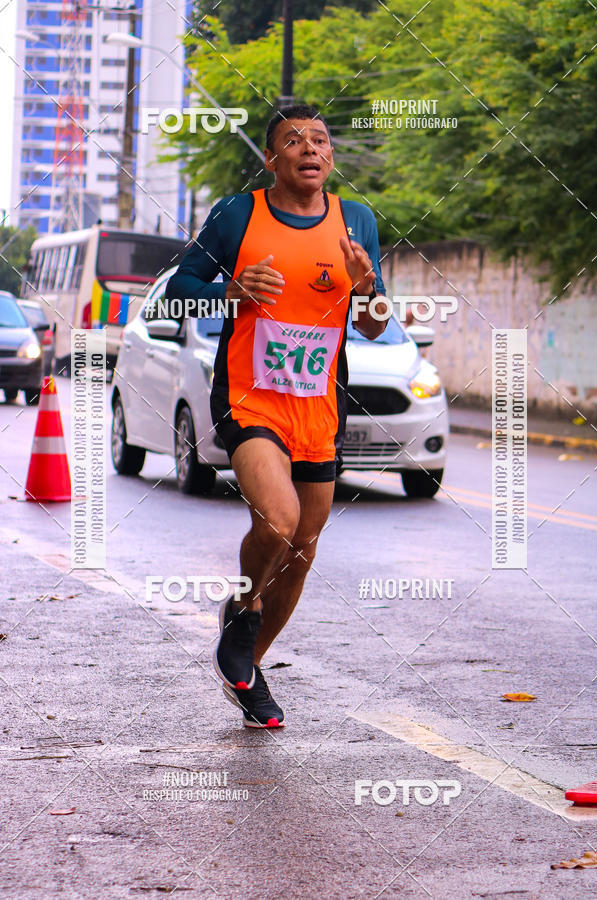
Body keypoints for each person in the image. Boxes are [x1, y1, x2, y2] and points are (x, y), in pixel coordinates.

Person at [166, 103, 388, 728]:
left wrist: (367, 289)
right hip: (249, 396)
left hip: (317, 404)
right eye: (295, 140)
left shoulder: (357, 222)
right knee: (280, 520)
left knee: (305, 546)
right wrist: (229, 292)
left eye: (320, 140)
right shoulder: (240, 214)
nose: (310, 148)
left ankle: (245, 666)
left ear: (331, 158)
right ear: (272, 158)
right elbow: (176, 287)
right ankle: (242, 615)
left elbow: (372, 326)